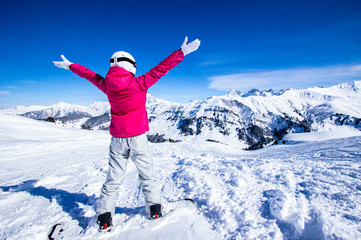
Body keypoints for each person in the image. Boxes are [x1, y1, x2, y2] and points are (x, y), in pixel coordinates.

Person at [53, 37, 201, 231]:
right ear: (130, 66)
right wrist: (181, 52)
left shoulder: (106, 85)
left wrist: (71, 66)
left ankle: (105, 217)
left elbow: (90, 75)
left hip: (117, 140)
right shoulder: (140, 83)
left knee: (113, 178)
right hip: (138, 138)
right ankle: (154, 208)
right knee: (147, 174)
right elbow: (161, 68)